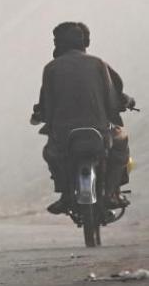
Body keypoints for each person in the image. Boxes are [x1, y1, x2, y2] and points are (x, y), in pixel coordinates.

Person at [31, 23, 130, 214]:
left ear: (60, 43)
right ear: (83, 41)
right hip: (99, 132)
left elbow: (47, 106)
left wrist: (46, 120)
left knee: (51, 154)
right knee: (121, 144)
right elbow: (112, 101)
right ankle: (110, 193)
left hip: (63, 137)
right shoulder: (98, 63)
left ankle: (66, 194)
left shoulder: (50, 69)